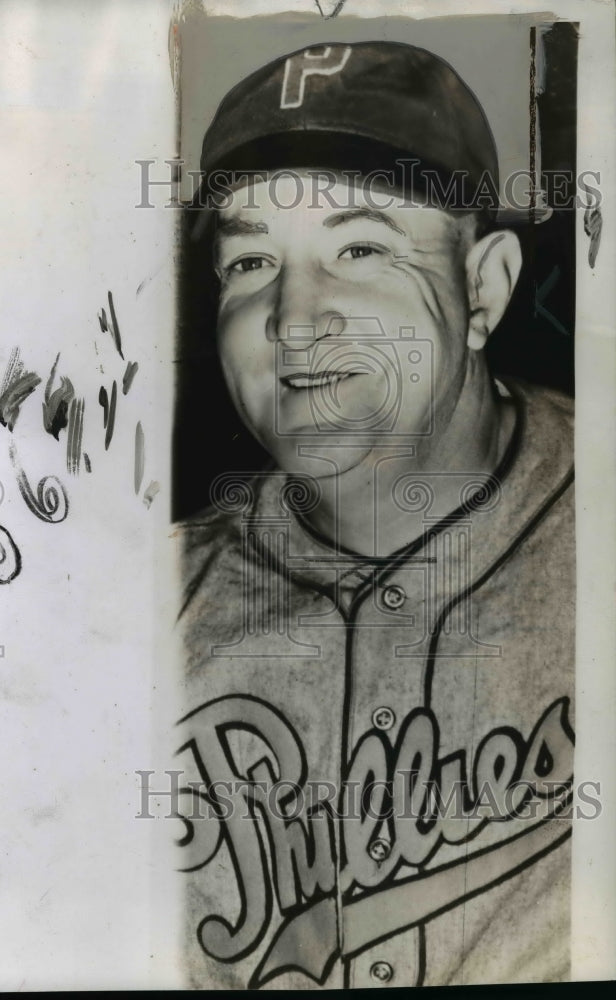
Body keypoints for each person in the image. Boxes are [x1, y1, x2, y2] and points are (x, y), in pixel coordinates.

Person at [172, 41, 575, 990]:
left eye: (360, 249)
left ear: (484, 287)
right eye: (251, 261)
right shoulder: (136, 612)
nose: (295, 318)